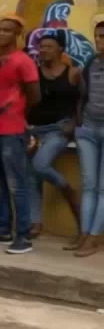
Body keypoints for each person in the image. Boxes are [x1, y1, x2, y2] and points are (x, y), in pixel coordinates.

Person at [0, 15, 41, 255]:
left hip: (12, 130)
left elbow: (35, 95)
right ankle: (2, 229)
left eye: (7, 30)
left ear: (17, 35)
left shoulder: (23, 61)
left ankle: (23, 235)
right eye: (0, 30)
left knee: (17, 185)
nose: (2, 34)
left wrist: (18, 113)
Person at [24, 33, 82, 240]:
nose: (43, 50)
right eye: (41, 47)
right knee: (32, 176)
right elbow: (25, 98)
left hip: (58, 129)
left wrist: (74, 123)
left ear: (60, 49)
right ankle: (35, 223)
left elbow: (81, 101)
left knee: (40, 166)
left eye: (49, 46)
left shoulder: (73, 73)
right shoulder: (33, 72)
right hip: (34, 129)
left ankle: (68, 189)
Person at [74, 21, 104, 257]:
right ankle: (84, 234)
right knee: (89, 184)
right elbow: (82, 95)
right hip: (88, 128)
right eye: (97, 36)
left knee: (103, 188)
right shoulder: (91, 62)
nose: (99, 41)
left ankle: (94, 237)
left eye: (103, 36)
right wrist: (78, 121)